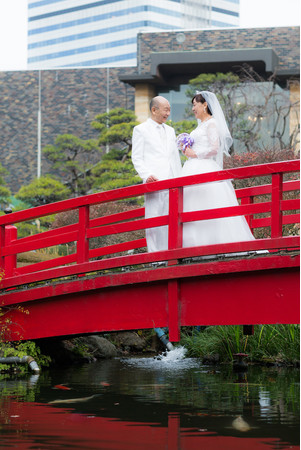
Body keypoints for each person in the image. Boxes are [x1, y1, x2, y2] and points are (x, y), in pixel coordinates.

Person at [181, 91, 255, 249]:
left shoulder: (211, 123)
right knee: (193, 204)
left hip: (203, 166)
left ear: (205, 105)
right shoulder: (201, 125)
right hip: (193, 166)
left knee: (208, 203)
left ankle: (214, 243)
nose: (193, 108)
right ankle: (195, 244)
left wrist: (195, 153)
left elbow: (214, 148)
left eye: (195, 104)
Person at [132, 96, 182, 252]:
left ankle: (172, 251)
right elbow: (137, 157)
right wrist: (146, 175)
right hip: (154, 182)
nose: (168, 113)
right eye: (165, 110)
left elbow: (174, 157)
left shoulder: (171, 130)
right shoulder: (140, 130)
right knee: (154, 219)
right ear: (154, 110)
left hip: (173, 181)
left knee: (174, 217)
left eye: (169, 110)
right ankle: (155, 256)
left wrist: (179, 178)